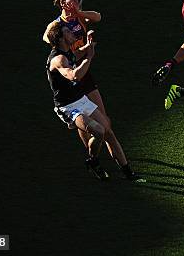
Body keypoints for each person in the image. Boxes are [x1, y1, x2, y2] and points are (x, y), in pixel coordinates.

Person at [46, 21, 142, 181]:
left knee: (108, 131)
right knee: (98, 131)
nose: (72, 33)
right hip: (68, 107)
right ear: (61, 38)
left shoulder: (68, 51)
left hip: (80, 99)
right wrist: (88, 58)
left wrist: (88, 47)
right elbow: (74, 75)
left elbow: (76, 54)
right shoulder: (58, 59)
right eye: (67, 32)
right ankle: (93, 160)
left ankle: (127, 172)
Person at [43, 0, 108, 153]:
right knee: (82, 113)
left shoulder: (80, 16)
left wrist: (79, 12)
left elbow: (98, 17)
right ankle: (92, 150)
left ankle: (102, 144)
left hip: (84, 68)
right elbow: (46, 37)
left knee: (103, 118)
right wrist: (65, 47)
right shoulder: (58, 24)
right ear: (62, 4)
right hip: (72, 69)